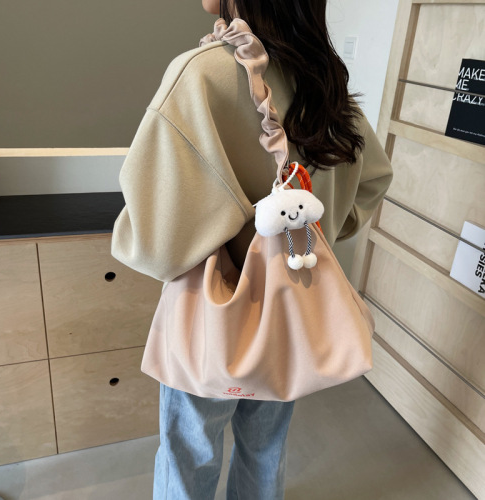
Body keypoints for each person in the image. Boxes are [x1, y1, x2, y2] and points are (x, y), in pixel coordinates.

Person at [111, 0, 393, 498]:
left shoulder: (201, 76)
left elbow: (156, 244)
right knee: (266, 449)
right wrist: (321, 228)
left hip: (211, 321)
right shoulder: (323, 78)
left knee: (189, 456)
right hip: (293, 305)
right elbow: (372, 180)